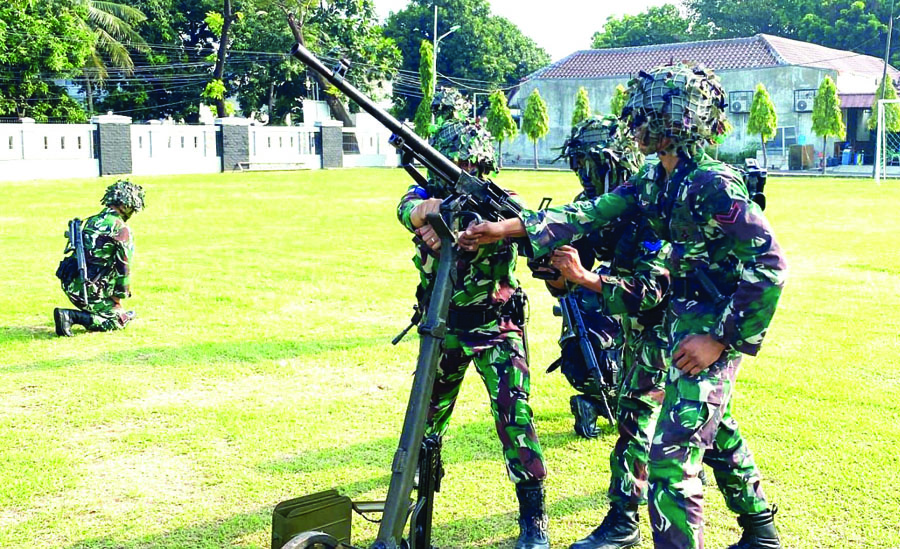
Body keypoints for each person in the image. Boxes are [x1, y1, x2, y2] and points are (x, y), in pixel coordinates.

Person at [460, 64, 788, 549]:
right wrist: (507, 229)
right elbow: (587, 213)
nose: (632, 126)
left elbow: (770, 265)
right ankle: (760, 533)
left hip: (711, 328)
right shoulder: (653, 179)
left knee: (671, 459)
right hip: (673, 324)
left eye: (642, 116)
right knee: (709, 428)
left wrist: (720, 340)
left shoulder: (712, 184)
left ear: (671, 122)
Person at [397, 114, 549, 549]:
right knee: (425, 424)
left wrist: (494, 229)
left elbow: (537, 226)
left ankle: (533, 521)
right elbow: (407, 210)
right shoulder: (425, 195)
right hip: (441, 331)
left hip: (496, 328)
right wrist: (439, 212)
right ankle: (418, 514)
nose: (462, 171)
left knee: (515, 418)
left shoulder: (503, 202)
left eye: (469, 165)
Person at [546, 115, 645, 439]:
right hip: (609, 288)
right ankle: (598, 396)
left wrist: (586, 278)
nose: (586, 177)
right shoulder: (585, 206)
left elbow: (649, 288)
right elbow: (568, 282)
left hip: (653, 299)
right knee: (579, 326)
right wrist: (558, 274)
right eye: (581, 166)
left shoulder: (650, 201)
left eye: (595, 166)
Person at [54, 179, 145, 336]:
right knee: (118, 321)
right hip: (88, 290)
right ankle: (71, 316)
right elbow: (124, 267)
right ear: (126, 205)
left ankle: (98, 310)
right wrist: (118, 298)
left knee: (115, 312)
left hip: (71, 284)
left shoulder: (92, 220)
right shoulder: (121, 229)